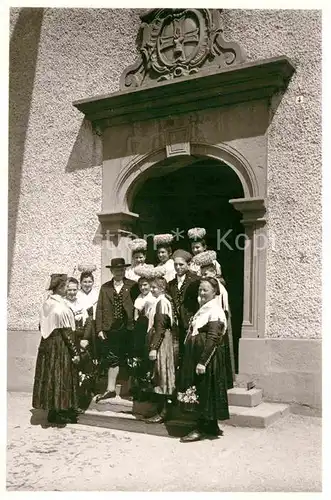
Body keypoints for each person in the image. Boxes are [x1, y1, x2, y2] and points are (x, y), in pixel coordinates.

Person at [178, 277, 230, 442]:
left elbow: (214, 337)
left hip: (208, 359)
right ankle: (211, 425)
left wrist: (202, 361)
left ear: (214, 292)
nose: (201, 293)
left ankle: (200, 428)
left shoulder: (215, 310)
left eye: (205, 290)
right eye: (200, 289)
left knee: (204, 390)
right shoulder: (204, 309)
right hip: (198, 356)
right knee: (205, 390)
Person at [32, 274, 80, 424]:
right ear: (59, 288)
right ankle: (60, 411)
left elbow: (41, 325)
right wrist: (75, 353)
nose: (67, 288)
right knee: (61, 377)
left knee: (50, 377)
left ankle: (52, 410)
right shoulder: (59, 307)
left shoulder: (48, 303)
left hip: (47, 344)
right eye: (66, 286)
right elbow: (66, 332)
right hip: (60, 346)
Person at [95, 258, 138, 402]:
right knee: (112, 358)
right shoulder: (105, 287)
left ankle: (128, 390)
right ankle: (110, 389)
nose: (119, 272)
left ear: (124, 270)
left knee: (129, 358)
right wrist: (99, 328)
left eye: (121, 269)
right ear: (111, 271)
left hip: (128, 328)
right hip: (111, 328)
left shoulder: (133, 285)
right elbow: (99, 309)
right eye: (116, 270)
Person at [144, 272, 179, 424]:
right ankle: (160, 408)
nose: (152, 290)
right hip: (161, 338)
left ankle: (164, 411)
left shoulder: (162, 302)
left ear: (162, 288)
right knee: (158, 374)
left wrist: (154, 347)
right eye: (151, 287)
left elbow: (161, 326)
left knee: (163, 373)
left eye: (155, 287)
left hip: (163, 341)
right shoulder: (160, 300)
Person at [197, 252, 235, 388]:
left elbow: (220, 307)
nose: (204, 276)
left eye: (207, 273)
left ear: (213, 272)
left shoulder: (218, 287)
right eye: (202, 274)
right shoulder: (204, 285)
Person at [167, 249, 200, 367]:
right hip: (176, 323)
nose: (178, 267)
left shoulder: (196, 280)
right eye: (175, 264)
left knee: (190, 351)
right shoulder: (170, 284)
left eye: (181, 264)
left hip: (191, 321)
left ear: (188, 265)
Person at [129, 264, 157, 400]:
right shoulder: (139, 298)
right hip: (140, 329)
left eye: (145, 285)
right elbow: (135, 314)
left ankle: (150, 390)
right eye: (141, 286)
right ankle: (140, 388)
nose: (143, 288)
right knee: (139, 359)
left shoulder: (153, 296)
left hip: (151, 328)